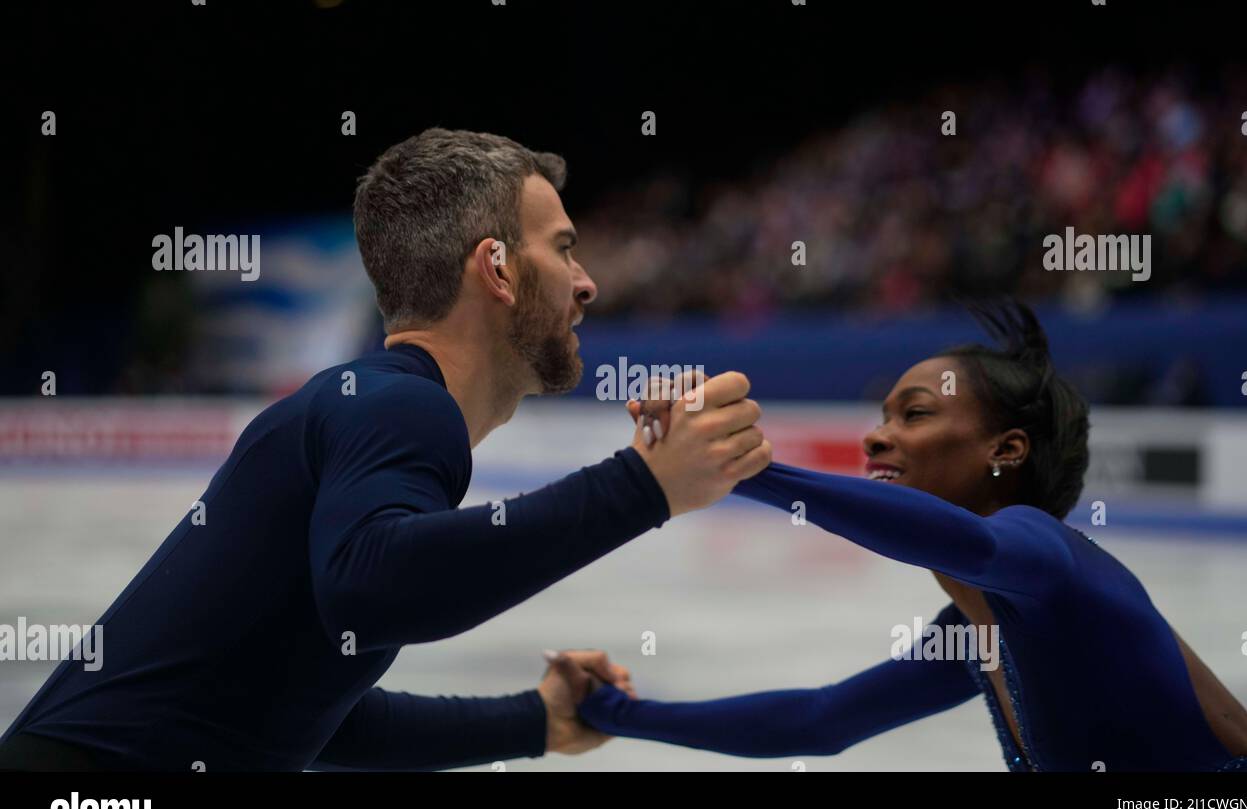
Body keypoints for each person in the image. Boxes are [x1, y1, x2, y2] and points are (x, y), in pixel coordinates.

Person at [0, 129, 771, 771]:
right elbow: (374, 584)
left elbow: (306, 713)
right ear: (497, 267)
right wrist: (644, 487)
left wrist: (532, 722)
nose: (587, 282)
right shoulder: (404, 407)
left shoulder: (370, 402)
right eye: (564, 249)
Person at [582, 300, 1247, 772]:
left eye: (913, 415)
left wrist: (745, 469)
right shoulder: (977, 630)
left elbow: (971, 546)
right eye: (882, 415)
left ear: (1006, 451)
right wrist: (610, 711)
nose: (874, 436)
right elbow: (819, 719)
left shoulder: (1045, 553)